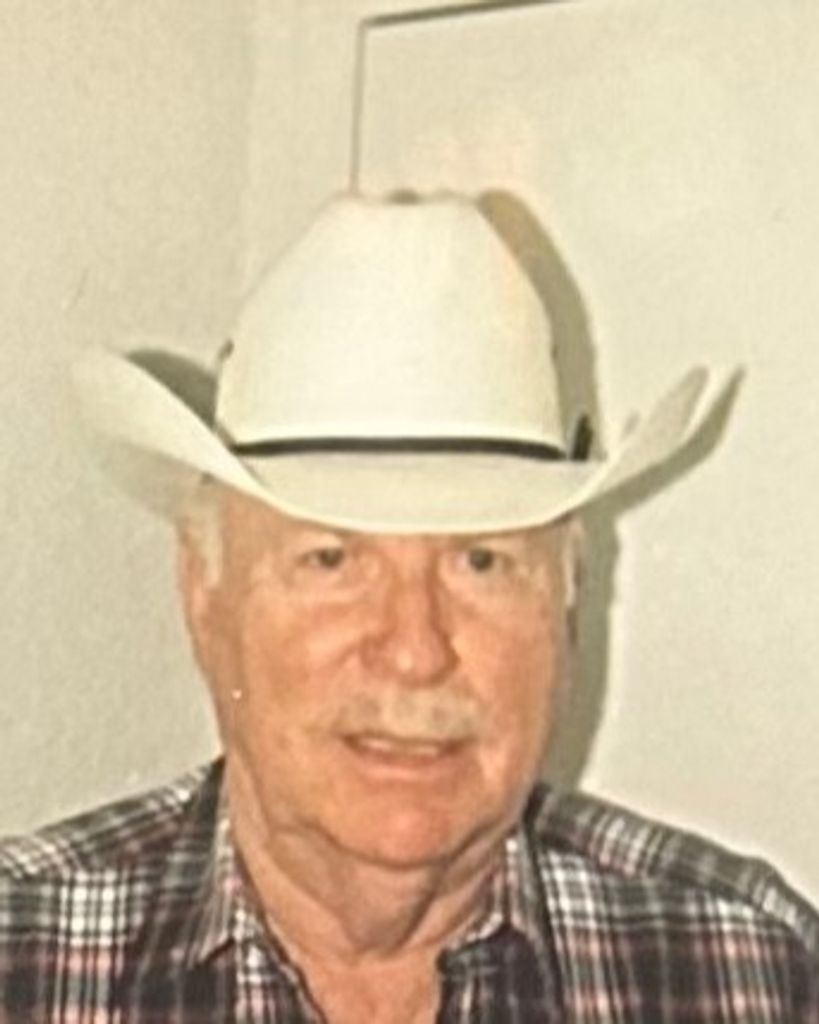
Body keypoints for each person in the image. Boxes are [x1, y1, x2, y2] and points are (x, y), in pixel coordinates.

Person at [1, 193, 816, 1023]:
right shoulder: (25, 961)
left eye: (481, 562)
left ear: (567, 606)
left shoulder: (746, 975)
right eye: (331, 559)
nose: (415, 649)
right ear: (203, 598)